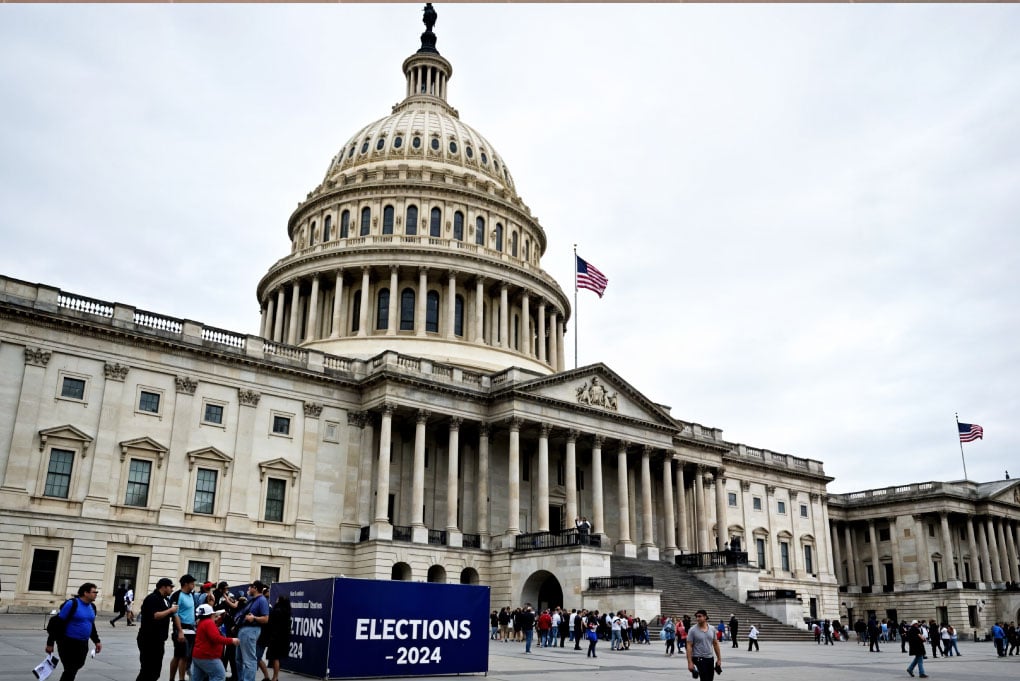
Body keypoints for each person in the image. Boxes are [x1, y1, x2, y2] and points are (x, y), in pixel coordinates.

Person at [46, 582, 102, 681]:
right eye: (94, 592)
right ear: (86, 593)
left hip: (83, 643)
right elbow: (58, 624)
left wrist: (97, 641)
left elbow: (91, 625)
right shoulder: (72, 604)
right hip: (67, 642)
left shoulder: (92, 607)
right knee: (70, 669)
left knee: (77, 666)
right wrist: (50, 643)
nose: (96, 594)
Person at [136, 578, 179, 681]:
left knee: (155, 671)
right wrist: (170, 610)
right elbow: (156, 615)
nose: (172, 589)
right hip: (148, 639)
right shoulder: (152, 598)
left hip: (159, 640)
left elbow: (173, 614)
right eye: (171, 587)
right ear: (163, 587)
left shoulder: (166, 600)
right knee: (147, 670)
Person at [192, 604, 239, 681]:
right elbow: (216, 639)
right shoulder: (209, 623)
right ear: (210, 614)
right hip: (208, 656)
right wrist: (232, 640)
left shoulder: (201, 622)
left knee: (197, 678)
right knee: (219, 676)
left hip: (198, 656)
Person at [235, 581, 269, 681]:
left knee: (249, 660)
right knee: (239, 659)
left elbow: (266, 619)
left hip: (251, 630)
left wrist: (254, 618)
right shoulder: (253, 599)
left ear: (255, 588)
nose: (248, 589)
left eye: (250, 587)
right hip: (243, 630)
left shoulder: (262, 600)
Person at [169, 575, 200, 681]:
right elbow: (175, 614)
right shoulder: (177, 595)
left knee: (184, 656)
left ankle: (175, 678)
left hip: (191, 629)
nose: (194, 585)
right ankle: (178, 679)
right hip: (181, 629)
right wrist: (180, 631)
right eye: (192, 583)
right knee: (181, 655)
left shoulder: (191, 595)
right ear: (186, 584)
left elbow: (192, 611)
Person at [259, 596, 290, 681]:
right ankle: (274, 677)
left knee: (275, 658)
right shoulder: (286, 611)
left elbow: (271, 623)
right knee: (276, 658)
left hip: (275, 638)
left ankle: (274, 678)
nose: (275, 600)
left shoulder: (277, 611)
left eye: (277, 599)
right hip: (282, 638)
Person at [686, 610, 723, 681]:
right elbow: (689, 646)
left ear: (705, 617)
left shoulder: (712, 629)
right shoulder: (692, 630)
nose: (697, 618)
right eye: (696, 616)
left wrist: (719, 659)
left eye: (699, 616)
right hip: (698, 658)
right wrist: (690, 662)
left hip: (710, 658)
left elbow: (715, 644)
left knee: (710, 678)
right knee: (705, 678)